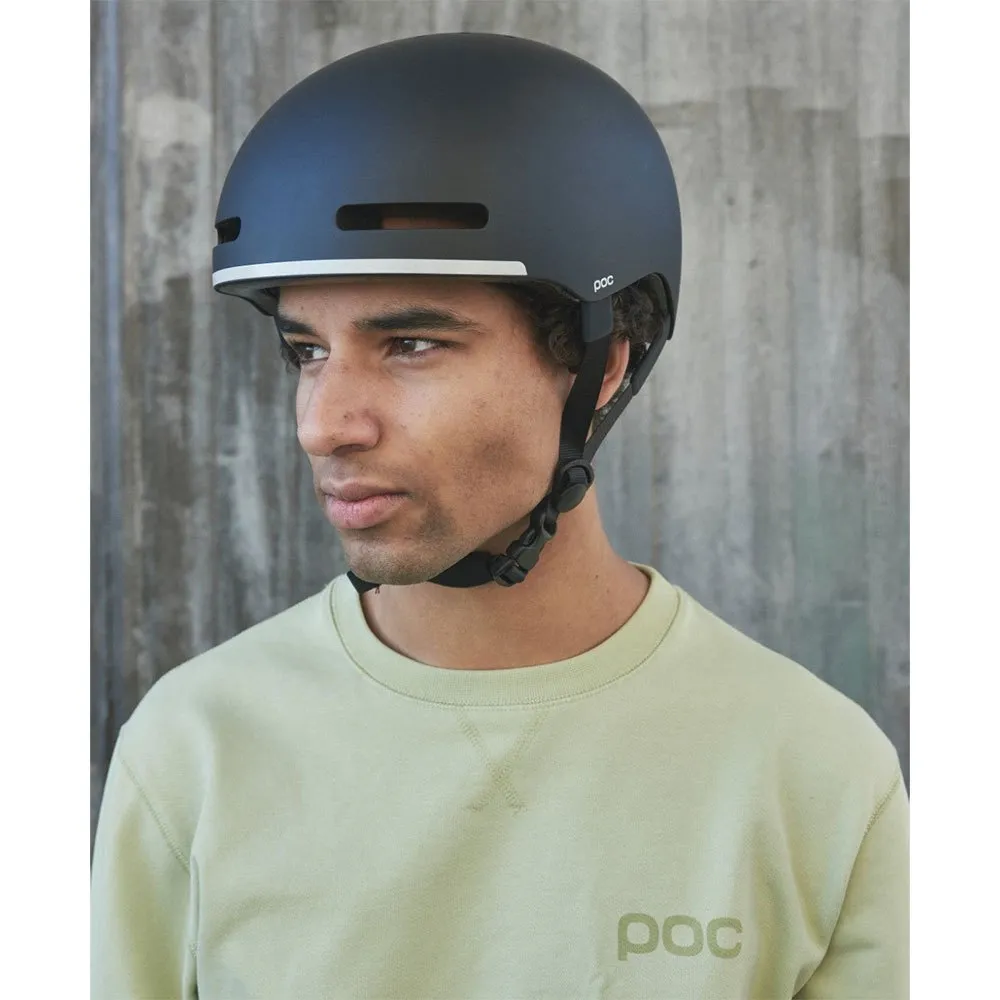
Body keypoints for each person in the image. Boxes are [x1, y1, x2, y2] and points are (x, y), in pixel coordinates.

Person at [91, 33, 908, 1000]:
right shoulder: (194, 747)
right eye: (307, 350)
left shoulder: (812, 771)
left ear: (603, 364)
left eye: (411, 344)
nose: (323, 424)